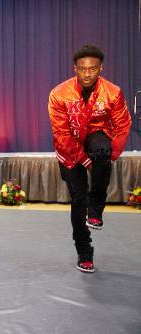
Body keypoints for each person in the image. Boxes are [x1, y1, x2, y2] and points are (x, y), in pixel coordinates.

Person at [48, 44, 131, 273]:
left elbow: (123, 126)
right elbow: (61, 134)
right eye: (82, 69)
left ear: (100, 68)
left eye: (92, 68)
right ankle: (84, 251)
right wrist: (84, 160)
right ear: (75, 69)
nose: (87, 73)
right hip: (69, 149)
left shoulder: (113, 92)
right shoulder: (59, 93)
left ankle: (96, 208)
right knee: (77, 201)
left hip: (96, 136)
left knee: (103, 151)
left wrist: (111, 157)